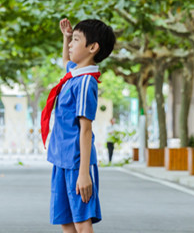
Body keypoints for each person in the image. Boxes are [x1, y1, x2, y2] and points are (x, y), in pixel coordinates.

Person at [41, 18, 116, 233]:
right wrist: (66, 38)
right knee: (66, 222)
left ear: (92, 48)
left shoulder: (85, 83)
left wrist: (84, 174)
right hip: (60, 159)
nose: (71, 45)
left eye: (76, 40)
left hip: (76, 163)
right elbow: (67, 61)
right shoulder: (73, 75)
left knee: (82, 223)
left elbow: (86, 129)